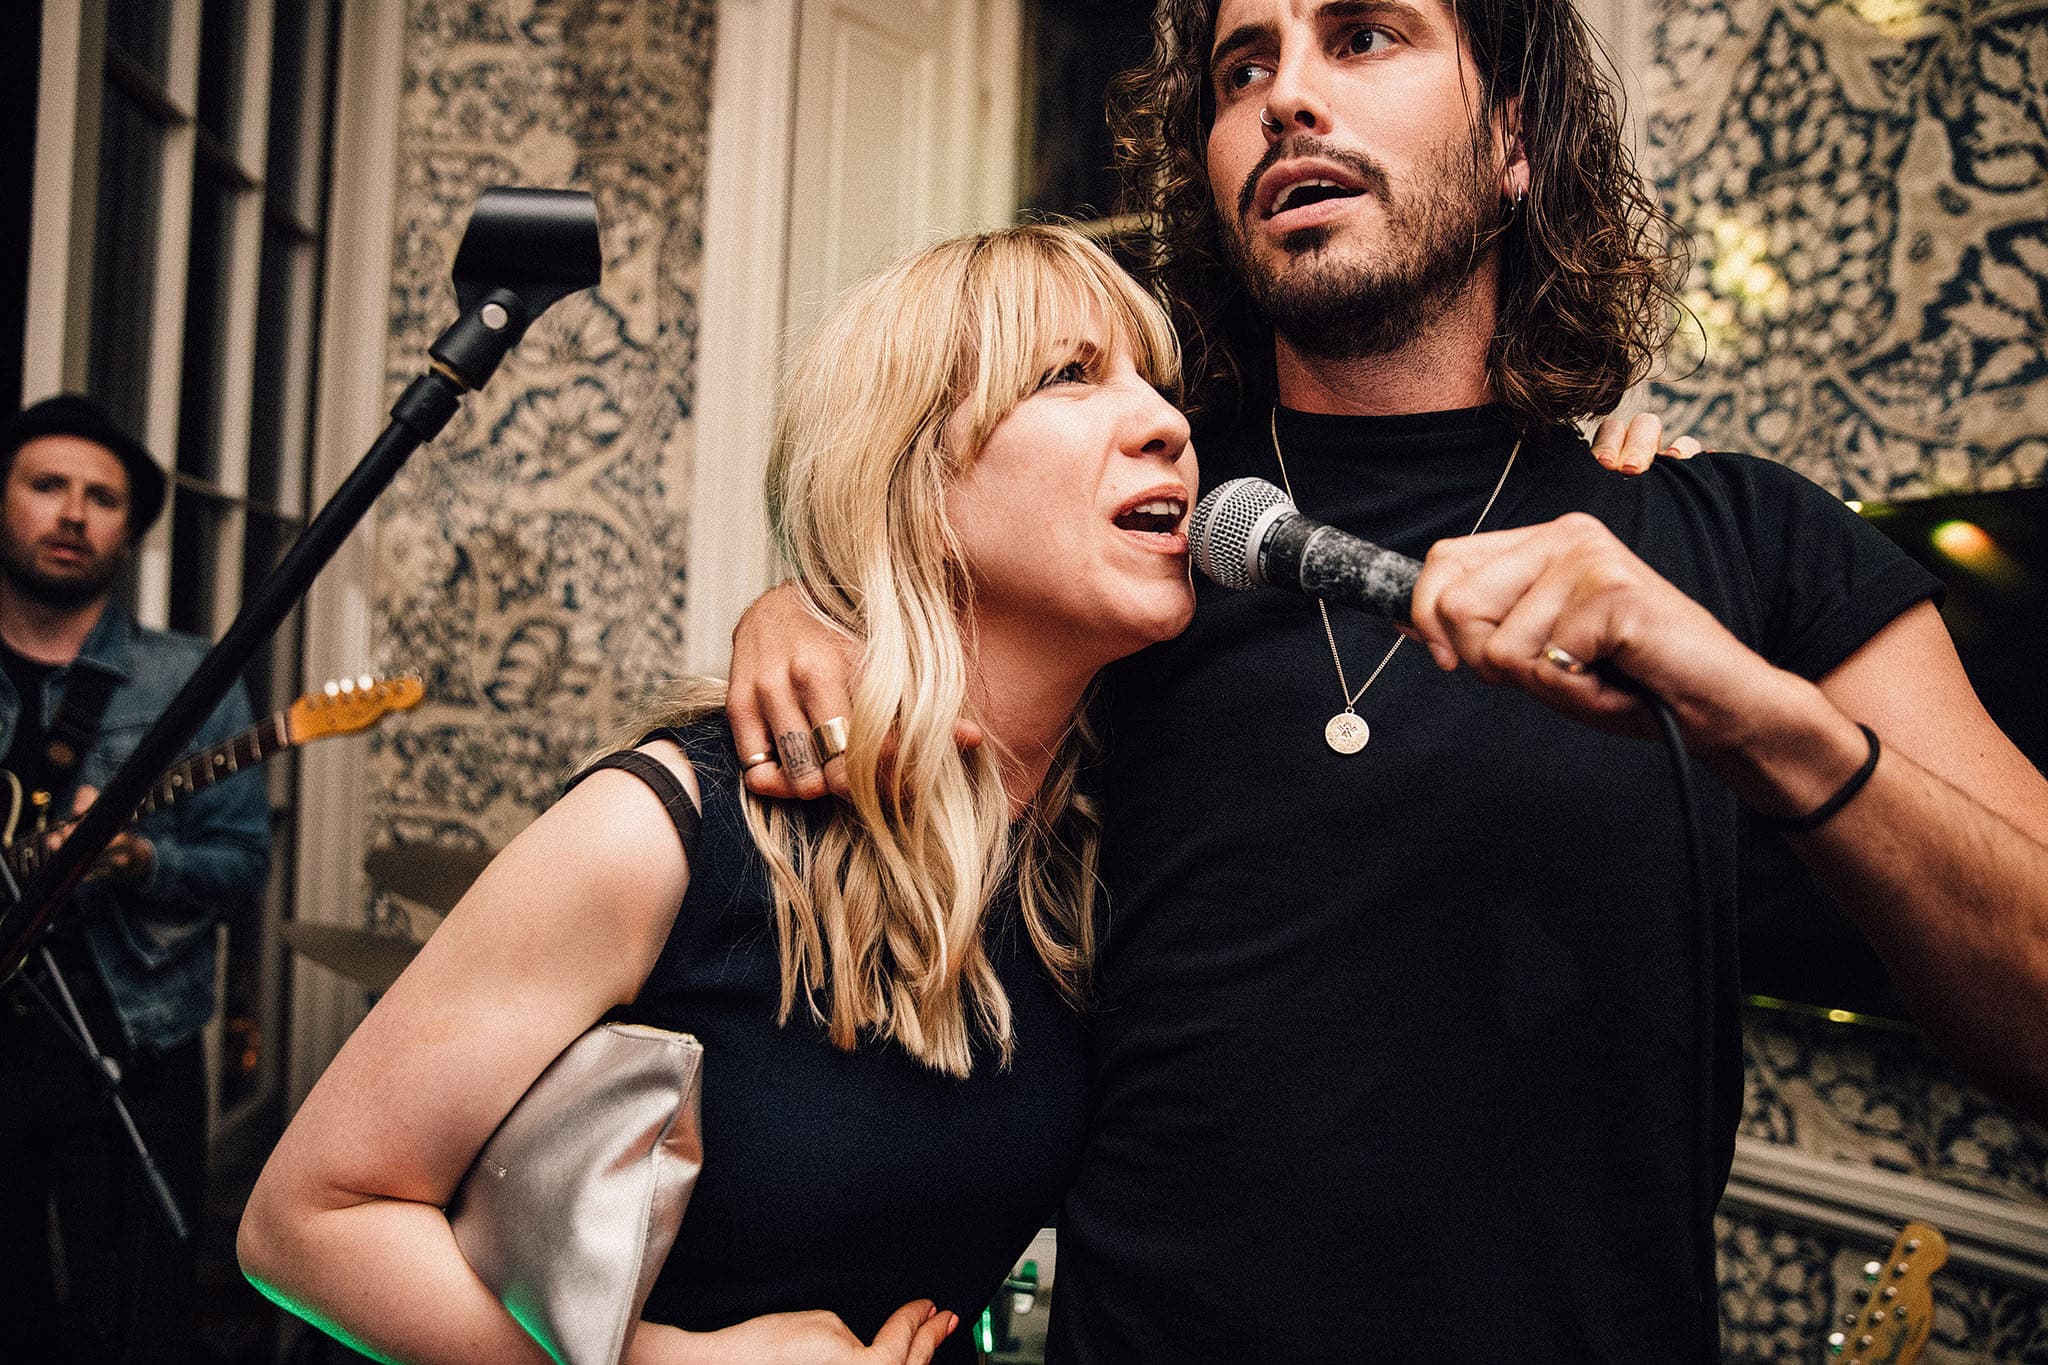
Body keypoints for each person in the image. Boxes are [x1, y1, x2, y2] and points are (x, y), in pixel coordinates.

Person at [724, 1, 2048, 1359]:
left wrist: (1766, 721)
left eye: (1362, 37)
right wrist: (815, 612)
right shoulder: (1137, 545)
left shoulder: (1739, 542)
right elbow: (912, 621)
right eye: (1246, 66)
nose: (1286, 96)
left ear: (1514, 140)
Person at [236, 224, 1197, 1365]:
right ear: (912, 474)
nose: (1166, 423)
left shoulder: (1107, 840)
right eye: (1070, 376)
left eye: (1159, 383)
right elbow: (307, 1224)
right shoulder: (669, 828)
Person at [0, 393, 271, 1364]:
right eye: (47, 485)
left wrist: (139, 858)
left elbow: (243, 864)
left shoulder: (188, 679)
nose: (73, 514)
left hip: (130, 1043)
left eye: (102, 498)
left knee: (135, 1320)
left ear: (129, 531)